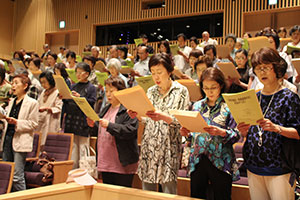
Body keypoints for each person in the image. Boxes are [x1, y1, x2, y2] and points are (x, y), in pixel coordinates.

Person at [237, 47, 300, 200]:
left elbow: (298, 133)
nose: (262, 72)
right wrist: (244, 131)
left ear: (276, 68)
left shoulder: (288, 97)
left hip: (280, 167)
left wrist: (276, 128)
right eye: (258, 68)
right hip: (254, 164)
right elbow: (250, 130)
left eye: (266, 67)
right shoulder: (253, 97)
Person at [128, 53, 190, 194]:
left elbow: (183, 122)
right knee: (147, 192)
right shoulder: (150, 91)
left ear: (169, 71)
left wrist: (164, 117)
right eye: (153, 73)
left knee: (168, 190)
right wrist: (137, 115)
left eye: (159, 72)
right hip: (150, 145)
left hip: (169, 146)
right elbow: (148, 118)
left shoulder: (181, 91)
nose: (156, 77)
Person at [180, 67, 240, 199]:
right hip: (198, 159)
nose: (209, 91)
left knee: (222, 196)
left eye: (213, 87)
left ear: (221, 85)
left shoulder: (228, 107)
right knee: (196, 195)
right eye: (206, 88)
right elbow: (192, 135)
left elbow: (237, 134)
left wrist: (222, 132)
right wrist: (187, 133)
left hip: (220, 159)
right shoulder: (196, 106)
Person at [87, 77, 139, 187]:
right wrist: (92, 125)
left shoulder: (129, 109)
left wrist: (110, 125)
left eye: (112, 91)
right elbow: (99, 130)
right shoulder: (106, 109)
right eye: (106, 91)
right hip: (105, 161)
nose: (108, 94)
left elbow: (130, 131)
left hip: (122, 163)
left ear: (120, 92)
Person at [0, 74, 39, 191]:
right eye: (12, 83)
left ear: (25, 86)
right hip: (8, 138)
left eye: (16, 83)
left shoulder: (32, 103)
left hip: (21, 139)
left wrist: (17, 122)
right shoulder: (11, 102)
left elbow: (33, 124)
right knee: (6, 173)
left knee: (17, 175)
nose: (13, 85)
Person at [63, 62, 97, 168]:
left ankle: (84, 171)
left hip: (83, 120)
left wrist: (80, 97)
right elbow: (68, 102)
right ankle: (73, 171)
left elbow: (92, 101)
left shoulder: (91, 87)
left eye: (80, 72)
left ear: (86, 74)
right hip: (72, 119)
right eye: (76, 72)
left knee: (83, 147)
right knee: (73, 147)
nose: (77, 75)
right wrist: (64, 96)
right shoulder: (73, 86)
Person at [37, 71, 62, 147]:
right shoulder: (43, 92)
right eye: (41, 83)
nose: (43, 85)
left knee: (49, 144)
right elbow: (38, 103)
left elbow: (58, 108)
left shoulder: (58, 92)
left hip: (51, 121)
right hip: (41, 120)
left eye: (45, 82)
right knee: (39, 143)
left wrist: (47, 108)